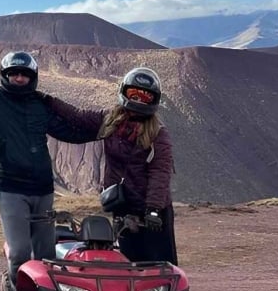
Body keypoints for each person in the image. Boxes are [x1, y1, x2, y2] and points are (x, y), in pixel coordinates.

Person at [0, 47, 91, 276]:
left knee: (46, 255)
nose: (20, 78)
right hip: (10, 187)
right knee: (19, 252)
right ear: (5, 74)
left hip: (43, 188)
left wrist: (105, 130)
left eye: (25, 74)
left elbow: (67, 133)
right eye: (14, 73)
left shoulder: (39, 105)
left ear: (33, 77)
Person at [43, 66, 177, 264]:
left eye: (145, 97)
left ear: (154, 100)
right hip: (123, 205)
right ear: (124, 92)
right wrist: (49, 100)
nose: (139, 100)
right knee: (128, 261)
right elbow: (78, 116)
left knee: (161, 264)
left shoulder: (158, 133)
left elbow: (160, 172)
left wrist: (153, 209)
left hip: (152, 211)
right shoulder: (111, 121)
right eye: (134, 94)